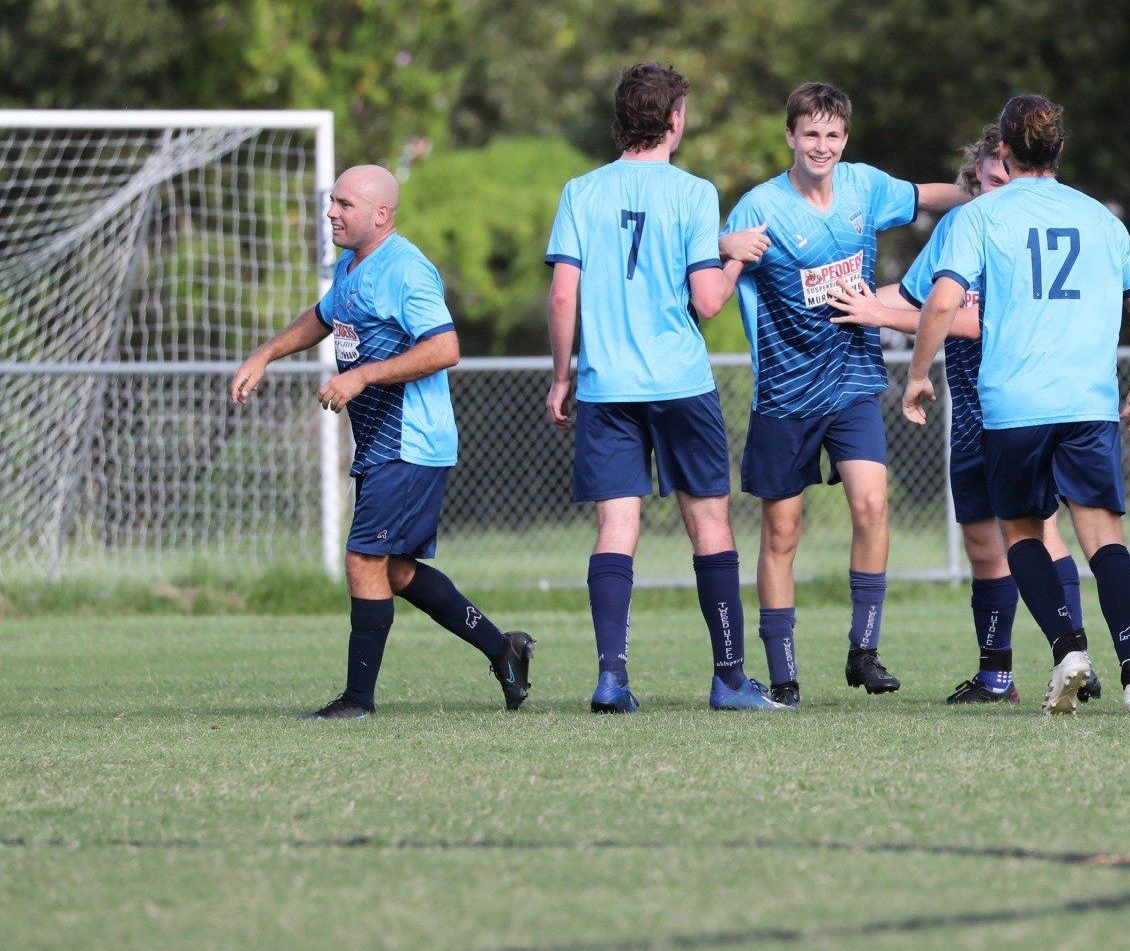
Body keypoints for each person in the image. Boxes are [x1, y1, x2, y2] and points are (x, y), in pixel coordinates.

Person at [231, 164, 533, 720]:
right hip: (380, 443)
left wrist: (363, 375)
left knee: (363, 559)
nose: (331, 212)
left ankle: (357, 700)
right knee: (392, 572)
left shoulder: (408, 270)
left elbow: (444, 348)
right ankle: (504, 649)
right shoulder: (352, 265)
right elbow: (324, 317)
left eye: (344, 204)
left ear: (381, 214)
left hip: (410, 441)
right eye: (332, 202)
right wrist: (265, 353)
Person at [903, 94, 1130, 717]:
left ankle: (1068, 649)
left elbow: (941, 303)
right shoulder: (1101, 219)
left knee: (1021, 532)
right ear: (1059, 149)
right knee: (1104, 538)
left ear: (1006, 153)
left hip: (1014, 405)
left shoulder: (982, 216)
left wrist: (917, 373)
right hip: (1087, 403)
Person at [827, 125, 1102, 705]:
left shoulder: (1026, 231)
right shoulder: (961, 228)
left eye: (1009, 177)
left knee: (1042, 530)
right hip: (972, 412)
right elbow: (908, 295)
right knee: (982, 542)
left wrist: (883, 317)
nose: (1001, 187)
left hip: (1023, 403)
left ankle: (1074, 654)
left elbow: (983, 320)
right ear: (974, 179)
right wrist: (838, 291)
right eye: (991, 178)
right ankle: (996, 675)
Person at [545, 62, 785, 712]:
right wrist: (736, 255)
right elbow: (709, 302)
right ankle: (729, 679)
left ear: (621, 119)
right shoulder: (694, 193)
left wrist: (562, 375)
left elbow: (564, 292)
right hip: (679, 381)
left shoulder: (581, 191)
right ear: (674, 119)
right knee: (709, 524)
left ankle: (612, 677)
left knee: (616, 527)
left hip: (606, 384)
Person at [724, 82, 968, 706]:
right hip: (783, 393)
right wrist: (720, 248)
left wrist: (992, 196)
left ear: (845, 139)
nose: (822, 146)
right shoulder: (759, 208)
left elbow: (924, 196)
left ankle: (864, 650)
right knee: (782, 533)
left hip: (854, 381)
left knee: (873, 506)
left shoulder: (863, 187)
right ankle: (783, 674)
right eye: (810, 134)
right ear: (790, 137)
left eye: (832, 135)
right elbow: (703, 277)